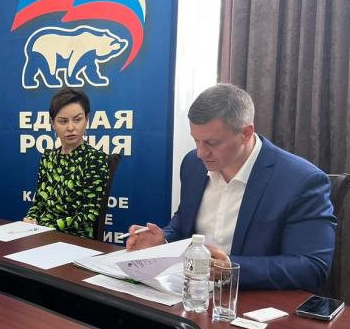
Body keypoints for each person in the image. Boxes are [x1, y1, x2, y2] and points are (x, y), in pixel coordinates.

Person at [127, 84, 336, 292]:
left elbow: (312, 267)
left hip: (253, 298)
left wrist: (231, 268)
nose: (201, 152)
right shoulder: (193, 165)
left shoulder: (300, 180)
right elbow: (184, 223)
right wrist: (163, 241)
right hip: (192, 293)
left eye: (212, 142)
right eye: (196, 140)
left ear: (246, 133)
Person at [24, 89, 110, 238]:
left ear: (87, 119)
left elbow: (88, 215)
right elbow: (38, 203)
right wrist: (30, 219)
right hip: (41, 234)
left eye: (77, 119)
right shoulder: (48, 157)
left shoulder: (95, 159)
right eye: (63, 121)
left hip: (75, 239)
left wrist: (44, 227)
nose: (70, 127)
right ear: (53, 124)